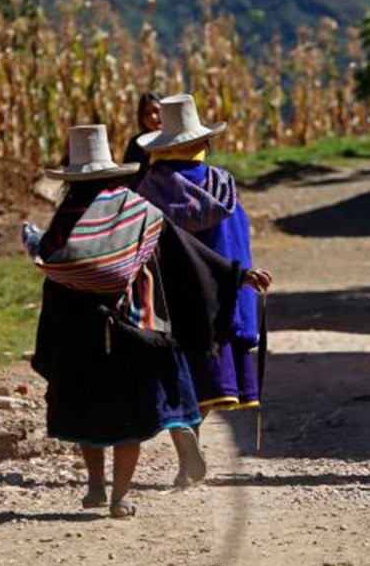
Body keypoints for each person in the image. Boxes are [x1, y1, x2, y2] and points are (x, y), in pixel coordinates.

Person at [26, 125, 271, 516]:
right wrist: (236, 275)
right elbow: (184, 251)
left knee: (89, 409)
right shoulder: (134, 208)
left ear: (72, 179)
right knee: (129, 416)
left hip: (78, 332)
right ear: (112, 173)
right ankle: (121, 497)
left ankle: (94, 488)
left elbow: (51, 270)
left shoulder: (66, 216)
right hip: (130, 327)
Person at [137, 94, 264, 487]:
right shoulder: (222, 186)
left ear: (163, 147)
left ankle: (183, 443)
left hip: (170, 302)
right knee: (212, 380)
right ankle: (192, 435)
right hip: (222, 298)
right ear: (203, 144)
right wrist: (241, 283)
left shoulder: (148, 190)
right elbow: (236, 243)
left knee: (177, 377)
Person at [123, 92, 162, 188]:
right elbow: (129, 176)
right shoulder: (136, 144)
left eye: (156, 111)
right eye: (147, 114)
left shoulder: (176, 139)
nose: (152, 117)